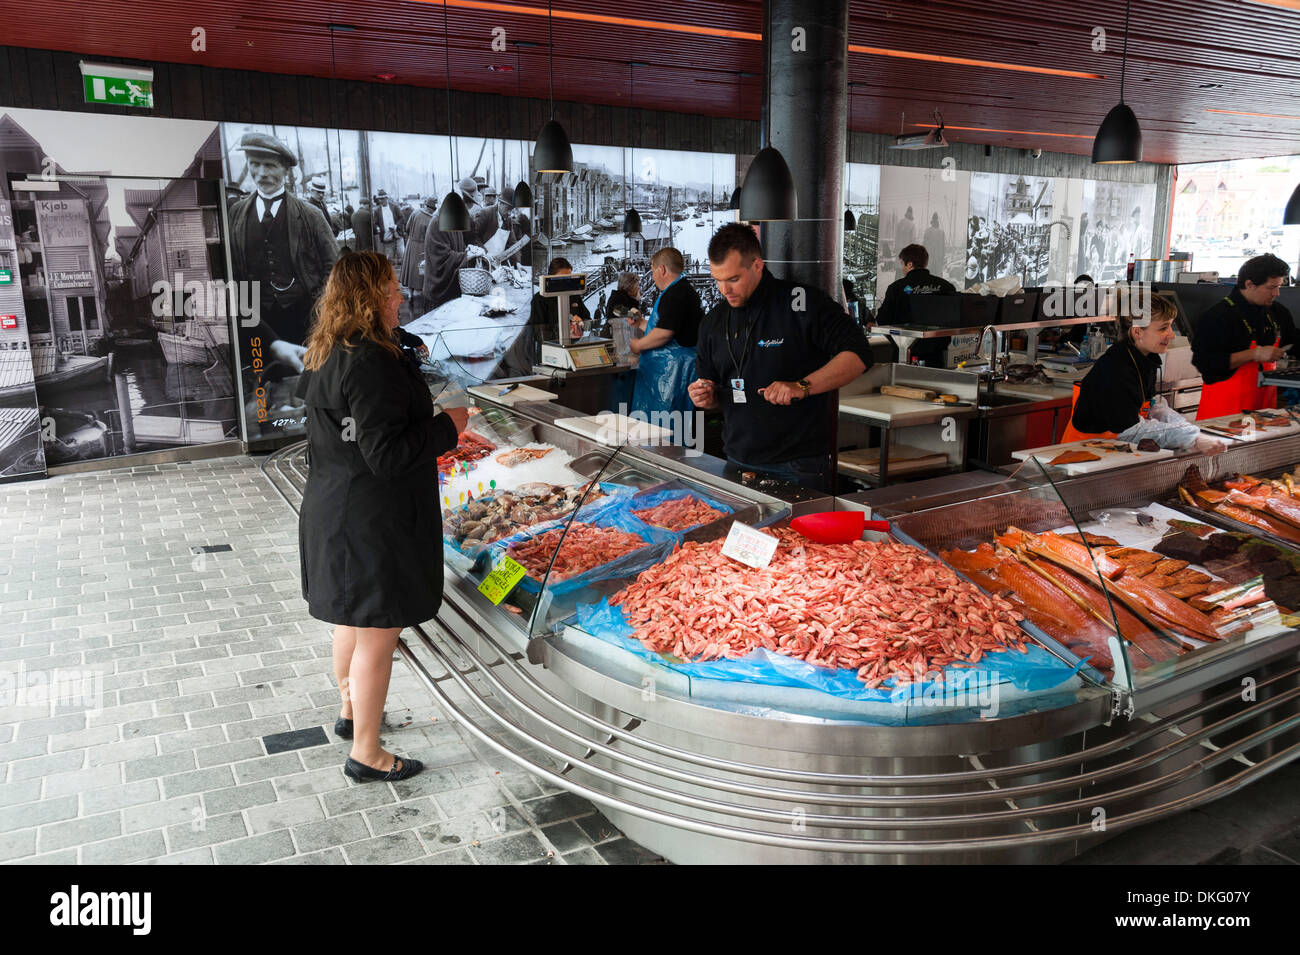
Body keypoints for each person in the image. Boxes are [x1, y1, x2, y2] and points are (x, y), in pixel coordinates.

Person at [297, 251, 468, 783]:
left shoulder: (329, 349)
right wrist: (451, 427)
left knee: (351, 620)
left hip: (336, 506)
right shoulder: (370, 362)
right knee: (378, 635)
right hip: (372, 522)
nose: (400, 296)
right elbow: (387, 454)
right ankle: (368, 753)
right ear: (369, 296)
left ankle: (352, 713)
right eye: (391, 288)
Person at [690, 223, 873, 491]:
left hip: (797, 465)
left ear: (757, 265)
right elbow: (715, 392)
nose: (724, 289)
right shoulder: (713, 322)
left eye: (733, 279)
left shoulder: (800, 302)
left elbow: (860, 354)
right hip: (736, 459)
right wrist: (705, 396)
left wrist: (802, 386)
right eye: (718, 280)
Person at [227, 131, 340, 365]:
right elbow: (233, 271)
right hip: (257, 324)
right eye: (254, 164)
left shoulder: (311, 215)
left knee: (306, 380)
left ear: (286, 170)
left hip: (303, 319)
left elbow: (335, 268)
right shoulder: (236, 214)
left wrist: (319, 307)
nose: (262, 173)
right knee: (264, 387)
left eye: (270, 165)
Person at [1192, 254, 1296, 419]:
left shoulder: (1277, 312)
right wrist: (1254, 354)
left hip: (1264, 410)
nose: (1277, 293)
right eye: (1271, 287)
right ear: (1249, 284)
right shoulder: (1218, 316)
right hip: (1224, 414)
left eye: (1279, 287)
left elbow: (1294, 344)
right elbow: (1206, 363)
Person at [1065, 293, 1172, 440]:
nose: (1171, 335)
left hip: (1115, 451)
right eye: (1163, 328)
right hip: (1085, 453)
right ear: (1137, 332)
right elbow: (1129, 428)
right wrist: (1181, 436)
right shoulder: (1116, 368)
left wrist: (1162, 413)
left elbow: (1144, 406)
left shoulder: (1145, 360)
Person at [628, 247, 703, 419]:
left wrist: (638, 345)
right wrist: (640, 323)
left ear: (661, 269)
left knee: (664, 430)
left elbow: (664, 333)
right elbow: (668, 326)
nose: (652, 277)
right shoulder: (681, 290)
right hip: (670, 372)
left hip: (672, 375)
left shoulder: (675, 294)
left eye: (652, 271)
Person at [496, 258, 591, 379]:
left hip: (573, 351)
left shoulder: (574, 296)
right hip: (550, 355)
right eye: (562, 279)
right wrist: (562, 330)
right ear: (551, 278)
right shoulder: (540, 299)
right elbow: (539, 332)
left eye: (569, 279)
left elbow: (588, 318)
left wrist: (581, 322)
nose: (566, 283)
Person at [420, 178, 489, 312]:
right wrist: (467, 255)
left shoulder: (453, 220)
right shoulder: (437, 222)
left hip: (451, 292)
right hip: (437, 295)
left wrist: (467, 249)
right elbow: (441, 258)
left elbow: (457, 247)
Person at [872, 243, 957, 327]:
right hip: (939, 339)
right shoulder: (946, 286)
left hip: (905, 339)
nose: (902, 268)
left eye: (902, 264)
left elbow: (883, 319)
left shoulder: (897, 288)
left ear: (909, 264)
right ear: (925, 263)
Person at [400, 196, 436, 312]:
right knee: (422, 270)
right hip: (422, 246)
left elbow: (407, 228)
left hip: (411, 244)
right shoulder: (432, 219)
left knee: (411, 270)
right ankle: (423, 295)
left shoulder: (415, 212)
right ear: (432, 208)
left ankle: (410, 295)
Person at [372, 189, 405, 266]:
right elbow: (375, 223)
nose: (381, 201)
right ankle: (391, 273)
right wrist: (377, 228)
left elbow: (402, 218)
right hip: (387, 236)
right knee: (389, 257)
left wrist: (396, 226)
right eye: (380, 199)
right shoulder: (377, 210)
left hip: (397, 234)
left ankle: (403, 272)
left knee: (402, 254)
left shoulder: (394, 207)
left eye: (383, 198)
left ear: (386, 198)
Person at [922, 212, 946, 279]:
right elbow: (943, 247)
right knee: (936, 275)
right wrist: (942, 256)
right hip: (936, 257)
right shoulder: (941, 232)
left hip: (933, 257)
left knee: (931, 274)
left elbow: (924, 245)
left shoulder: (928, 231)